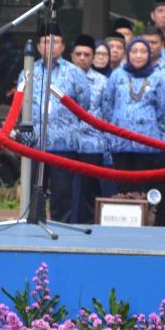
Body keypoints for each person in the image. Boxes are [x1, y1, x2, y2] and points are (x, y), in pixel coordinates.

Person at [17, 23, 91, 223]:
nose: (50, 46)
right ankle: (32, 226)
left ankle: (61, 228)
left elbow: (85, 104)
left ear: (63, 46)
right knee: (33, 191)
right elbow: (19, 102)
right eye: (45, 42)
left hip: (63, 143)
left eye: (55, 42)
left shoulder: (75, 73)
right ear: (39, 46)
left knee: (62, 194)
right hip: (34, 142)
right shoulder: (28, 70)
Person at [101, 38, 165, 224]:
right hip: (120, 143)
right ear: (128, 54)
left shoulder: (158, 78)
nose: (138, 55)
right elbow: (107, 105)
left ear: (150, 54)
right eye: (134, 51)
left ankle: (145, 223)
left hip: (147, 144)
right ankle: (123, 225)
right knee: (122, 188)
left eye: (143, 51)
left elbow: (164, 110)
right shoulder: (117, 76)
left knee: (145, 189)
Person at [69, 34, 108, 223]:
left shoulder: (102, 81)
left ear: (93, 57)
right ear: (72, 56)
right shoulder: (62, 77)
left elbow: (107, 112)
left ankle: (90, 225)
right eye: (78, 54)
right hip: (66, 141)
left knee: (89, 188)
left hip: (92, 142)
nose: (82, 58)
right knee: (66, 189)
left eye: (87, 54)